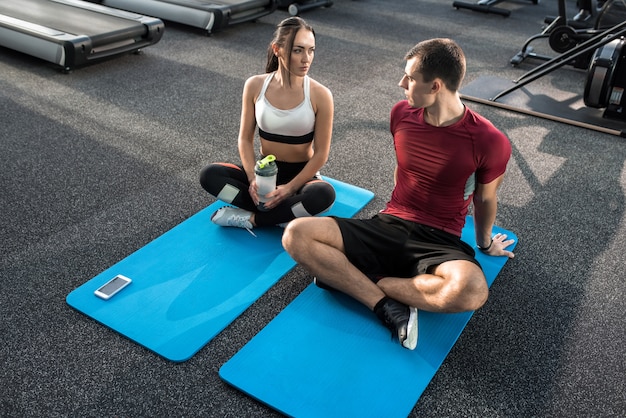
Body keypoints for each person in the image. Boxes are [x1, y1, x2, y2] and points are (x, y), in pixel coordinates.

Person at [282, 38, 515, 350]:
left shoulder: (489, 140)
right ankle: (384, 304)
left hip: (439, 239)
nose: (401, 83)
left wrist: (485, 244)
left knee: (472, 291)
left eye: (410, 78)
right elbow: (404, 170)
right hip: (389, 225)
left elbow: (484, 198)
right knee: (296, 234)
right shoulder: (401, 114)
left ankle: (361, 280)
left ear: (435, 86)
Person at [199, 17, 335, 234]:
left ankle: (254, 219)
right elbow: (244, 139)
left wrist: (289, 189)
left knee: (324, 196)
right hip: (264, 172)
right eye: (298, 50)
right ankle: (283, 216)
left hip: (301, 178)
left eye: (311, 50)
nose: (306, 59)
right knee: (209, 175)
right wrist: (253, 180)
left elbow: (321, 154)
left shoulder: (321, 95)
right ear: (278, 49)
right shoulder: (255, 85)